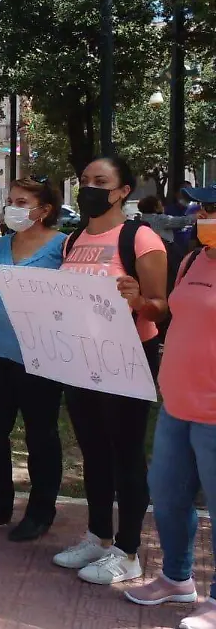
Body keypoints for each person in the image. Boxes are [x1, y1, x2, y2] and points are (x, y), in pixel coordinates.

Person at [53, 156, 168, 585]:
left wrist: (139, 300)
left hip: (127, 358)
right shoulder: (73, 240)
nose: (90, 188)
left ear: (123, 191)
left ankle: (129, 550)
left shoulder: (141, 239)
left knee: (126, 454)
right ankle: (98, 536)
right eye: (85, 181)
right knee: (93, 450)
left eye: (101, 181)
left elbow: (161, 306)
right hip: (81, 360)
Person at [123, 189, 216, 628]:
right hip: (177, 404)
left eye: (213, 210)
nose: (203, 215)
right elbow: (173, 316)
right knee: (168, 497)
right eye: (204, 208)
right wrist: (141, 302)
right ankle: (177, 579)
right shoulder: (192, 260)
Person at [0, 177, 66, 541]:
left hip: (40, 357)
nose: (13, 207)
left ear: (44, 210)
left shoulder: (61, 248)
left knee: (40, 436)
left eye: (22, 201)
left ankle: (40, 512)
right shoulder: (2, 244)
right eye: (11, 200)